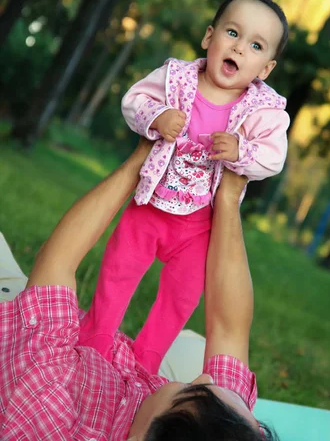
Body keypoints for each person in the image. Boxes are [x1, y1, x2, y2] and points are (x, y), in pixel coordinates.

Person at [0, 139, 278, 440]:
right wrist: (228, 198)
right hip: (117, 366)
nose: (204, 376)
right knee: (195, 353)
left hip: (17, 325)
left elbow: (56, 263)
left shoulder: (48, 403)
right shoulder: (221, 425)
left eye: (189, 389)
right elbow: (230, 329)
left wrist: (143, 160)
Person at [79, 0, 290, 373]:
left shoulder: (264, 111)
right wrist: (157, 115)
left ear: (265, 69)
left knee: (181, 297)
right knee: (118, 270)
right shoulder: (176, 77)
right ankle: (96, 338)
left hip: (199, 226)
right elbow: (134, 99)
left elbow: (273, 157)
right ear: (210, 38)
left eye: (255, 45)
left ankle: (146, 359)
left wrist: (241, 149)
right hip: (150, 204)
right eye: (232, 33)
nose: (239, 48)